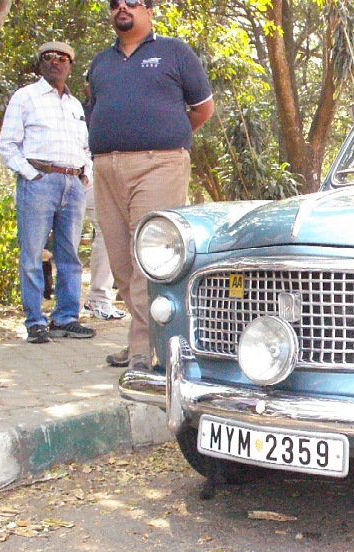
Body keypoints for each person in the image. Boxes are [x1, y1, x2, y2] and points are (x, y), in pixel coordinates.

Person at [88, 0, 214, 368]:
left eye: (131, 1)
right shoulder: (99, 62)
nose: (121, 7)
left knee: (149, 257)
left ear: (149, 10)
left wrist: (164, 139)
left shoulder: (174, 52)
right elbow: (95, 111)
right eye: (114, 4)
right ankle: (144, 337)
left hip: (158, 166)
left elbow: (203, 108)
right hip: (106, 168)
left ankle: (145, 350)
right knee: (121, 262)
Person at [0, 41, 96, 344]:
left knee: (70, 256)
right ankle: (35, 322)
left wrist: (85, 174)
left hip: (73, 184)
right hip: (39, 182)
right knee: (32, 254)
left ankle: (65, 319)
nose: (56, 62)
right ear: (41, 64)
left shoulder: (75, 105)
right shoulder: (25, 97)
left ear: (70, 66)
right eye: (49, 58)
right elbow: (7, 146)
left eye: (63, 58)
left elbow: (86, 147)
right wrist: (32, 175)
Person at [81, 80, 125, 321]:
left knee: (108, 231)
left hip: (103, 177)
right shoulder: (80, 109)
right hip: (79, 178)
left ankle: (99, 298)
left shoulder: (113, 109)